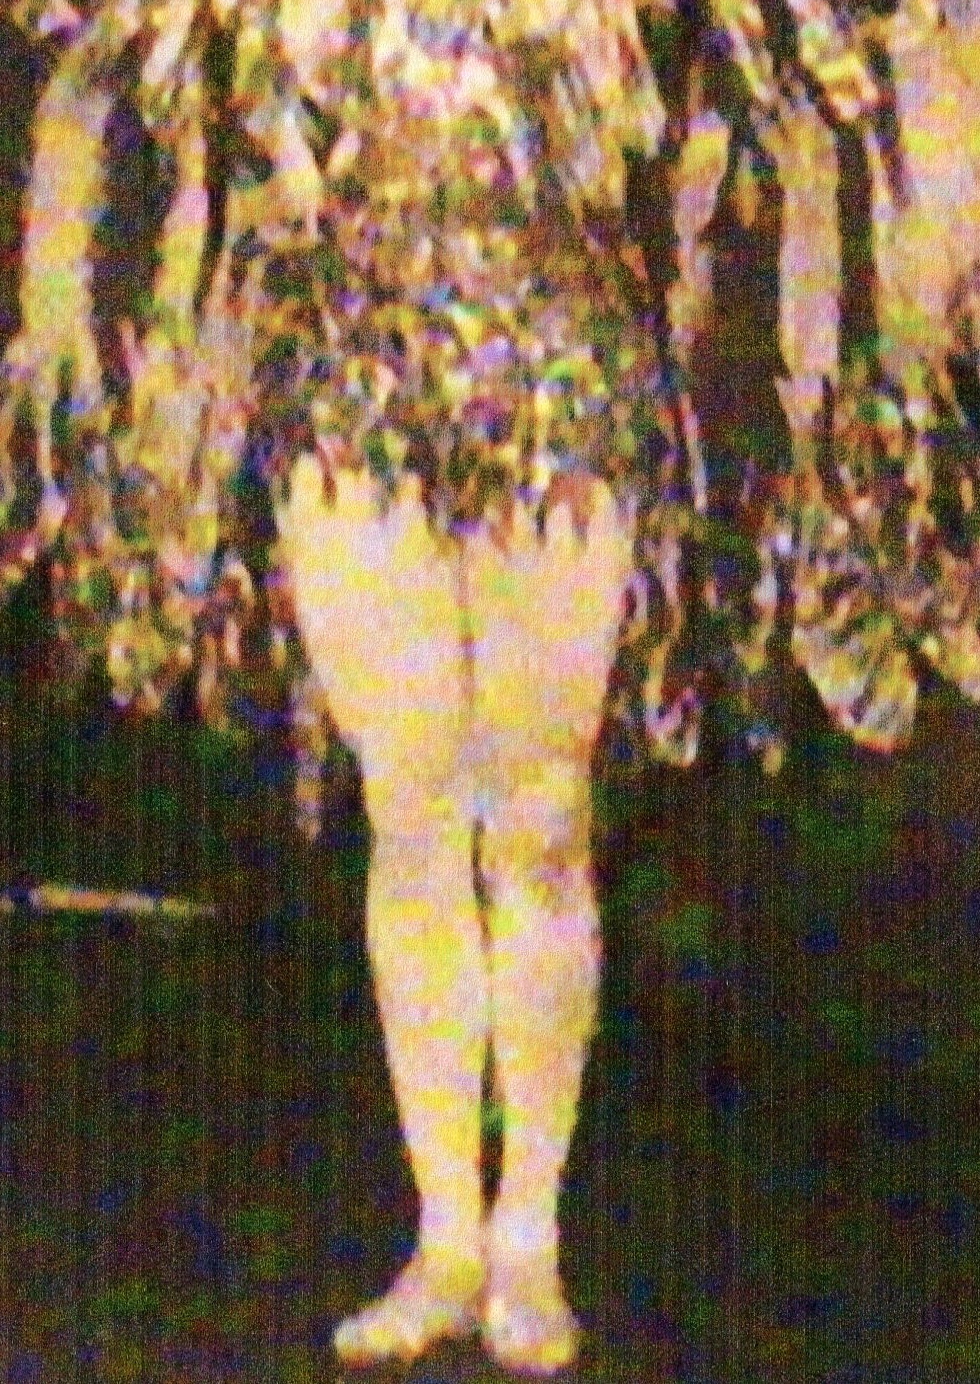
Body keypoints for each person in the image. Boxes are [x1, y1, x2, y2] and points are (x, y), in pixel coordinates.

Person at [277, 455, 633, 1374]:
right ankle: (447, 1244)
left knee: (542, 817)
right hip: (360, 398)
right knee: (408, 810)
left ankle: (527, 1237)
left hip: (557, 396)